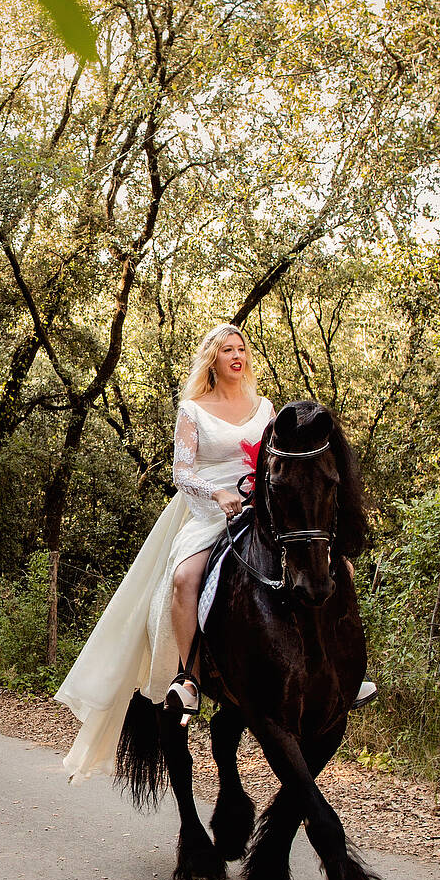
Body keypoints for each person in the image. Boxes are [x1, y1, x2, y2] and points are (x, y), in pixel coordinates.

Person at [53, 322, 374, 782]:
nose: (237, 357)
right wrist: (218, 495)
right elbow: (182, 472)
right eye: (228, 350)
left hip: (261, 512)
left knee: (336, 566)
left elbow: (279, 465)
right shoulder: (193, 410)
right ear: (213, 360)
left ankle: (343, 671)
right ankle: (188, 677)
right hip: (209, 512)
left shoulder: (265, 409)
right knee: (186, 579)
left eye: (242, 349)